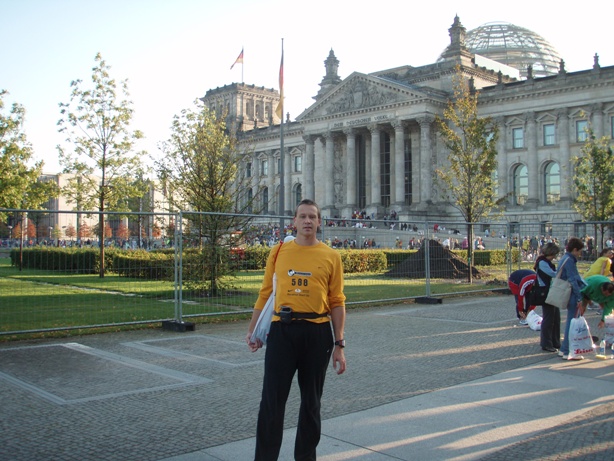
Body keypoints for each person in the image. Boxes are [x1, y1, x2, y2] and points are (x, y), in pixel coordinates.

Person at [246, 199, 346, 461]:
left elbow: (337, 302)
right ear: (294, 221)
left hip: (317, 333)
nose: (307, 221)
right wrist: (253, 330)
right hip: (282, 331)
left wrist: (340, 344)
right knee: (271, 402)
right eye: (302, 216)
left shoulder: (331, 256)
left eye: (312, 217)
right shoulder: (279, 251)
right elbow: (266, 293)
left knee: (311, 404)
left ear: (319, 222)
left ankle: (305, 457)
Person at [557, 237, 587, 360]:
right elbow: (572, 279)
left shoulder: (565, 258)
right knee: (572, 322)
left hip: (568, 293)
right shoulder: (570, 260)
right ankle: (568, 351)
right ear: (575, 249)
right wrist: (579, 297)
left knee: (571, 321)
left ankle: (564, 349)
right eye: (579, 251)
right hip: (572, 294)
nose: (580, 254)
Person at [531, 242, 560, 352]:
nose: (555, 257)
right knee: (549, 318)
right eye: (554, 254)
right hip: (545, 293)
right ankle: (546, 343)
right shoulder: (542, 262)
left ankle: (555, 341)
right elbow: (552, 274)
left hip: (551, 291)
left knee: (555, 317)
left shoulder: (546, 261)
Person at [578, 275, 614, 348]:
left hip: (599, 297)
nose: (607, 295)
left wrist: (603, 320)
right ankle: (578, 331)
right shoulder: (591, 285)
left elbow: (608, 308)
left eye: (609, 294)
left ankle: (610, 338)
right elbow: (580, 292)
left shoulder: (611, 295)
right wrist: (580, 302)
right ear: (601, 289)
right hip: (586, 293)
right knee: (581, 310)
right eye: (605, 294)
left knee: (609, 313)